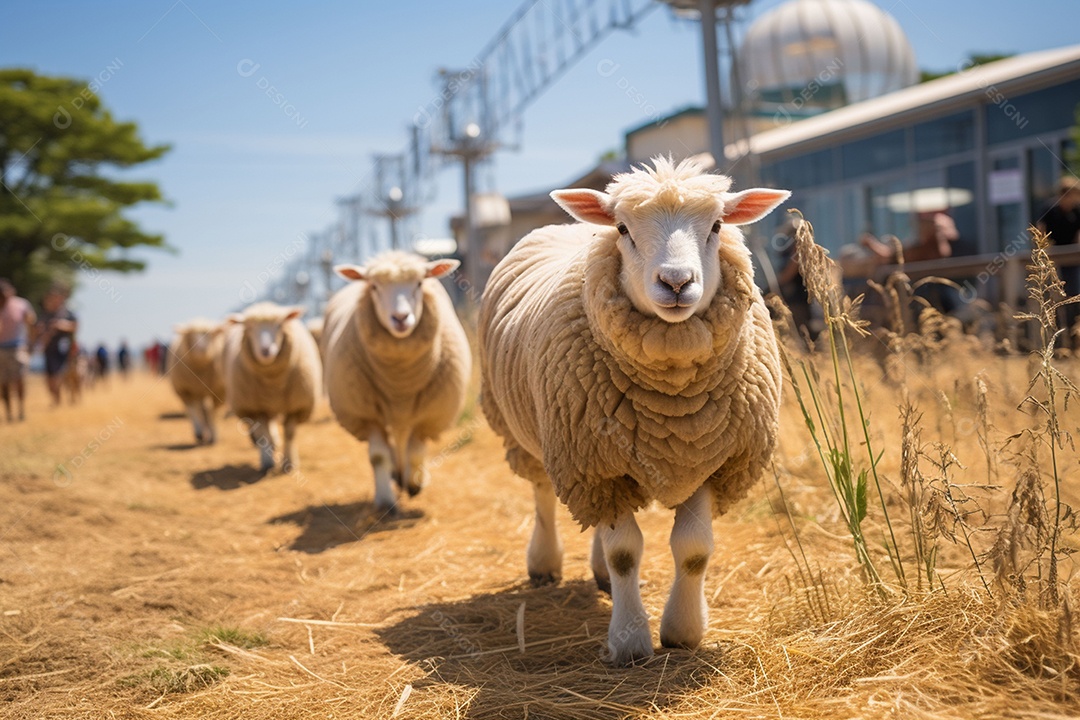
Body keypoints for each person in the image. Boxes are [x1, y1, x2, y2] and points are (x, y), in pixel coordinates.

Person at [860, 212, 962, 314]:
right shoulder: (924, 248)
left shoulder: (930, 248)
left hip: (937, 295)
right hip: (936, 294)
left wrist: (872, 245)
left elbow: (890, 256)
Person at [1035, 176, 1080, 343]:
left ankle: (1074, 334)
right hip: (1054, 258)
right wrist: (1045, 254)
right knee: (1054, 297)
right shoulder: (1050, 209)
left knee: (1073, 294)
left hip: (1072, 258)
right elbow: (1040, 232)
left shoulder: (1077, 210)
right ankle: (1058, 339)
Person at [0, 279, 37, 422]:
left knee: (19, 379)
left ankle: (21, 410)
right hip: (1, 349)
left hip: (17, 347)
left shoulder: (21, 304)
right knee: (3, 383)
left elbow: (31, 323)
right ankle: (8, 413)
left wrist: (31, 344)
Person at [35, 286, 78, 407]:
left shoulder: (67, 313)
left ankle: (70, 396)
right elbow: (38, 331)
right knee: (50, 376)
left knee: (64, 373)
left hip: (65, 348)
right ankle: (56, 399)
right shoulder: (45, 314)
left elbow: (75, 326)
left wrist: (61, 325)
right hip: (49, 349)